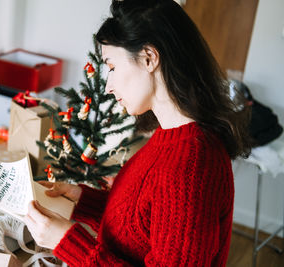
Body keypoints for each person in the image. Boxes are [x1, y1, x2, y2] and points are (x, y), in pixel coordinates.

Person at [23, 0, 252, 266]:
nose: (108, 85)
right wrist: (81, 200)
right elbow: (144, 227)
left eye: (111, 66)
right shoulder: (171, 138)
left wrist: (69, 243)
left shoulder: (191, 165)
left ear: (148, 58)